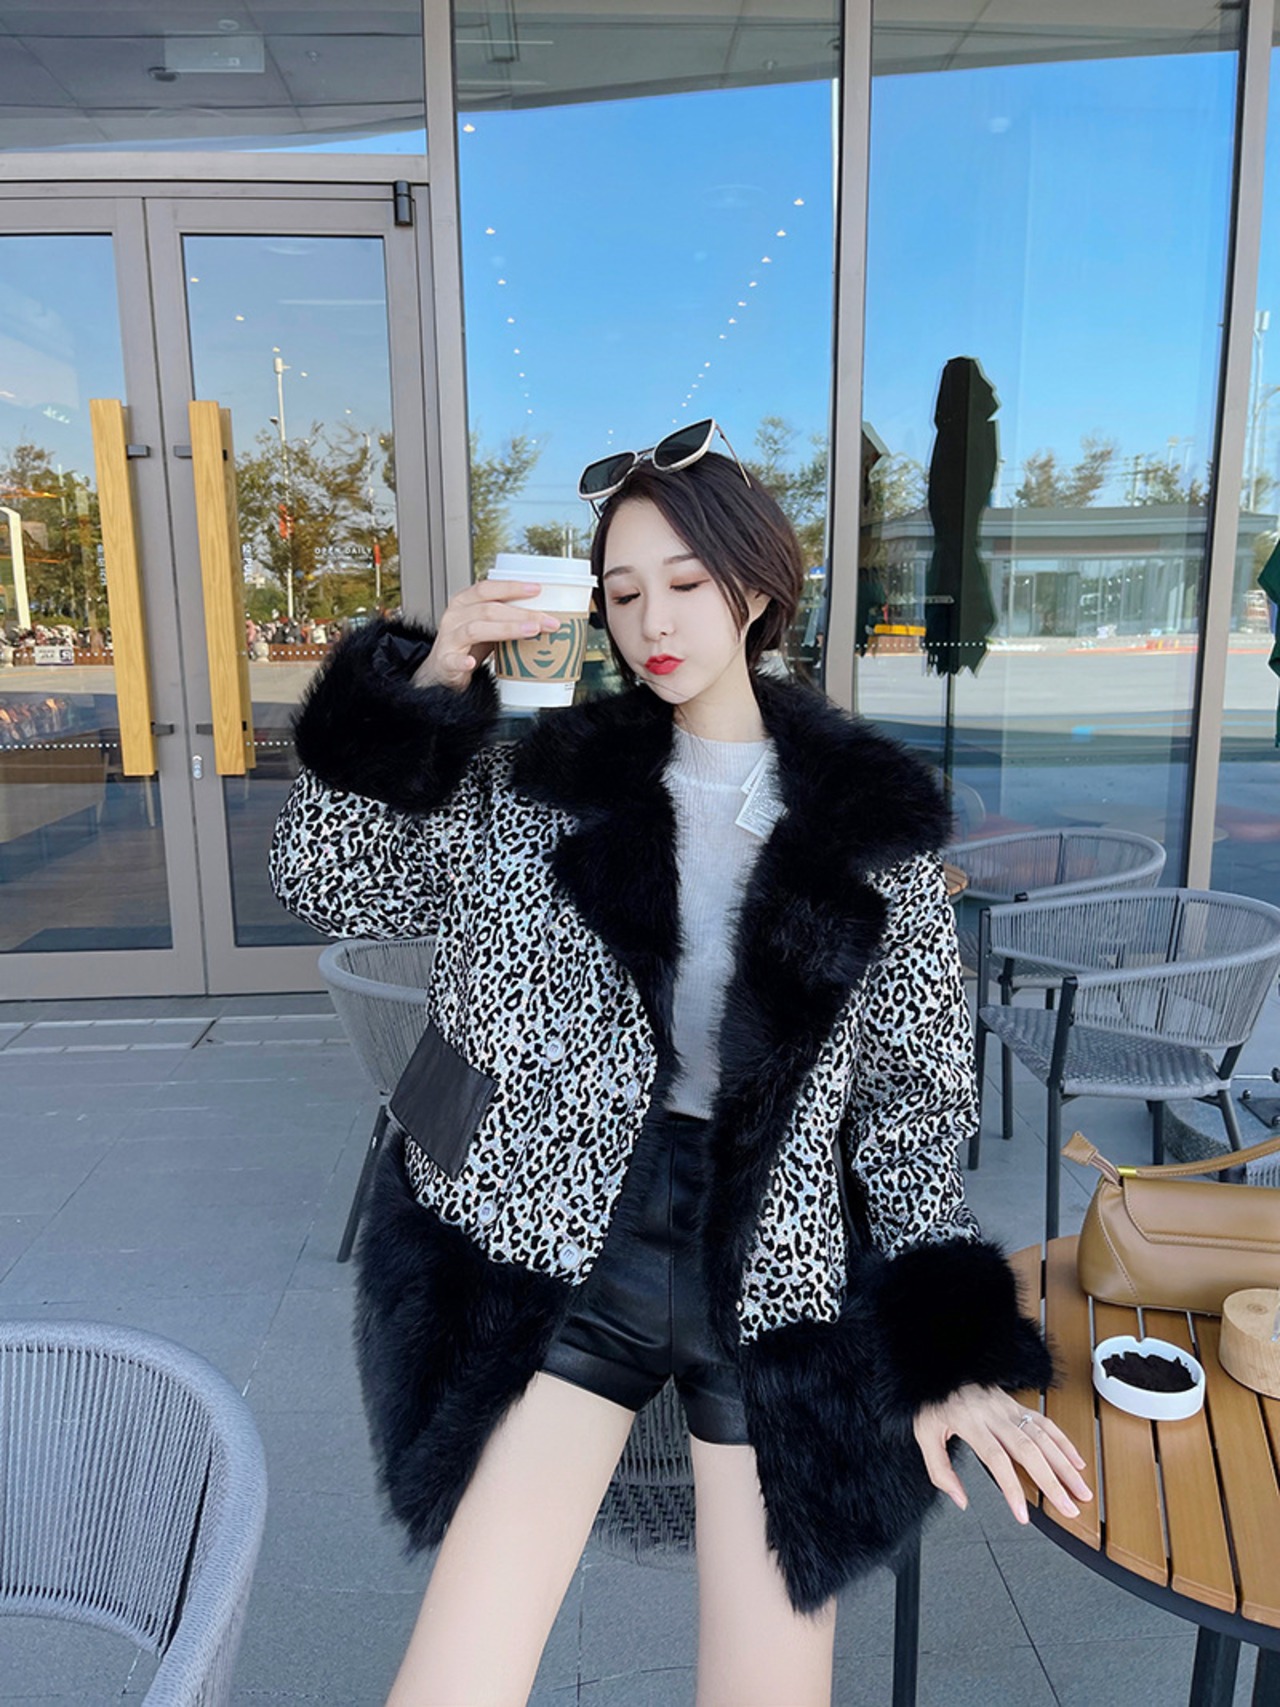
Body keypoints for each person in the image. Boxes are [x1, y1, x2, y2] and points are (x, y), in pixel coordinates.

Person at [269, 437, 1090, 1707]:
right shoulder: (528, 783)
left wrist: (948, 1346)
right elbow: (330, 882)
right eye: (622, 591)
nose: (652, 620)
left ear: (754, 590)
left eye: (687, 583)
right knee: (449, 1679)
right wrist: (427, 686)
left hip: (776, 1272)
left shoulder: (870, 829)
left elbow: (913, 1106)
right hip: (550, 1245)